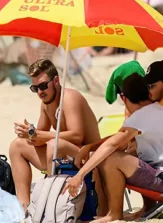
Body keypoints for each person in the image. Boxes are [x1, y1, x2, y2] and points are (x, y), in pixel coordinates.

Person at [64, 74, 163, 223]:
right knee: (123, 153)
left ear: (124, 98)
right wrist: (90, 147)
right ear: (147, 93)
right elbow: (117, 140)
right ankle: (140, 209)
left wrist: (79, 175)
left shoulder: (141, 116)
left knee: (111, 158)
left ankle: (114, 214)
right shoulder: (154, 111)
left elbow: (113, 144)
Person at [9, 58, 101, 207]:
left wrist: (37, 134)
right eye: (35, 88)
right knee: (17, 146)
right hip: (63, 156)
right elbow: (39, 138)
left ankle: (49, 201)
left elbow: (77, 136)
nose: (40, 92)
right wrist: (28, 134)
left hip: (88, 157)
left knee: (53, 145)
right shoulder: (46, 104)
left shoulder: (69, 98)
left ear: (56, 81)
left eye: (43, 86)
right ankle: (23, 205)